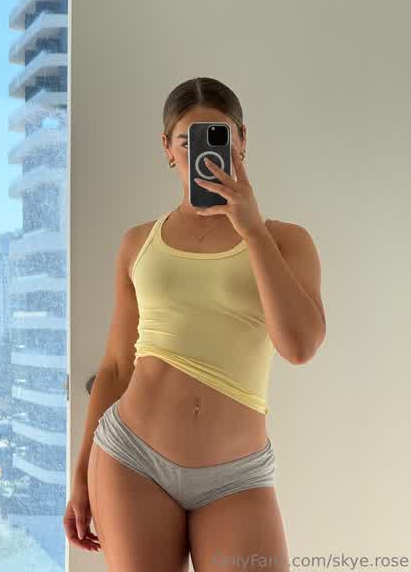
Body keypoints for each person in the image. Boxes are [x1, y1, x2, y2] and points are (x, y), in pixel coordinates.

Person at [63, 77, 326, 571]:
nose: (202, 154)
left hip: (238, 476)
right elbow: (117, 366)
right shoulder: (138, 243)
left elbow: (300, 346)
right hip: (131, 459)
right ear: (167, 148)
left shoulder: (285, 240)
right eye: (187, 141)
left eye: (218, 137)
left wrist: (251, 229)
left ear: (242, 141)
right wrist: (79, 476)